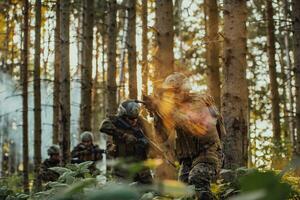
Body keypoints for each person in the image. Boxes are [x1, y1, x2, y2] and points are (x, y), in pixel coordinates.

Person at [144, 72, 225, 200]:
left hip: (209, 152)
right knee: (183, 190)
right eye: (170, 92)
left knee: (197, 179)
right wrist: (157, 115)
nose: (173, 95)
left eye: (176, 91)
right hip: (188, 158)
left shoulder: (199, 100)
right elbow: (162, 137)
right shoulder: (173, 108)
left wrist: (162, 108)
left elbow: (190, 123)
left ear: (185, 90)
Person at [99, 100, 153, 184]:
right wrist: (124, 135)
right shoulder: (117, 122)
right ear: (123, 116)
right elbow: (104, 126)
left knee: (151, 192)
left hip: (142, 170)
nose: (134, 121)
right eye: (131, 118)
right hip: (122, 169)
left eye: (135, 118)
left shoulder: (142, 122)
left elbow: (152, 137)